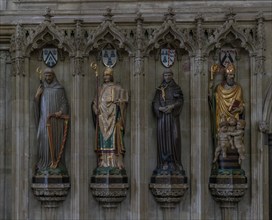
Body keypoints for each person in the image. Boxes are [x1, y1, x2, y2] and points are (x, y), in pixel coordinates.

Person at [92, 67, 128, 171]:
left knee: (115, 138)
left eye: (107, 75)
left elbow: (124, 100)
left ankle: (114, 162)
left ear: (111, 76)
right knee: (103, 141)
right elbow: (95, 103)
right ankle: (103, 161)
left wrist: (120, 103)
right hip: (102, 118)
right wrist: (95, 110)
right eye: (104, 75)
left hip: (113, 117)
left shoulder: (117, 87)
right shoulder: (100, 89)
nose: (105, 77)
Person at [34, 68, 69, 175]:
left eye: (49, 75)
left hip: (56, 122)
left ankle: (55, 163)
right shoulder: (42, 88)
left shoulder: (60, 88)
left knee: (55, 142)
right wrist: (37, 96)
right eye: (46, 75)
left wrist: (61, 111)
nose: (48, 78)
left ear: (53, 76)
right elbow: (36, 105)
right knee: (43, 140)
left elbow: (64, 103)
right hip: (45, 120)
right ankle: (44, 164)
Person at [152, 68, 184, 174]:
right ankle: (164, 162)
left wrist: (173, 106)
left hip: (172, 117)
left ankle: (175, 162)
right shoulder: (160, 89)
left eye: (169, 75)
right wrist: (160, 108)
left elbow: (180, 100)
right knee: (163, 139)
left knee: (175, 138)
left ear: (172, 75)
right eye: (165, 75)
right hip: (162, 117)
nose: (167, 77)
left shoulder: (176, 88)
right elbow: (155, 102)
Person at [214, 64, 244, 130]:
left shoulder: (238, 88)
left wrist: (239, 109)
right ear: (226, 76)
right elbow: (215, 103)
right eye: (230, 75)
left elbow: (241, 104)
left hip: (234, 118)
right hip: (222, 118)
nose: (232, 77)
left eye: (233, 75)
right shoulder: (219, 88)